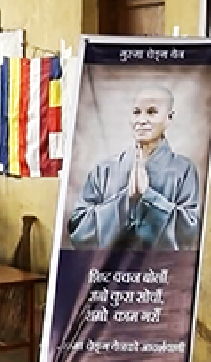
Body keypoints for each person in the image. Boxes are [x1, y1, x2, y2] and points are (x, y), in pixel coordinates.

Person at [68, 85, 202, 250]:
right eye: (136, 112)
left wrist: (150, 198)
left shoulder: (184, 170)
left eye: (152, 112)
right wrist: (125, 201)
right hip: (109, 272)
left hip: (163, 272)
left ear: (169, 118)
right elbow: (78, 229)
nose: (142, 120)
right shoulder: (104, 169)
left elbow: (190, 232)